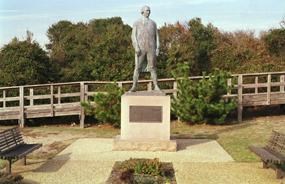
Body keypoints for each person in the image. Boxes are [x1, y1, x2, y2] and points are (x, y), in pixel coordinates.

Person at [129, 5, 160, 92]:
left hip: (151, 48)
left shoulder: (153, 23)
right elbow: (133, 36)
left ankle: (156, 86)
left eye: (149, 11)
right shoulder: (137, 23)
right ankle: (134, 86)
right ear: (142, 12)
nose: (148, 12)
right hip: (140, 48)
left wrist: (158, 47)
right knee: (137, 67)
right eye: (147, 10)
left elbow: (157, 36)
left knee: (153, 67)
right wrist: (136, 46)